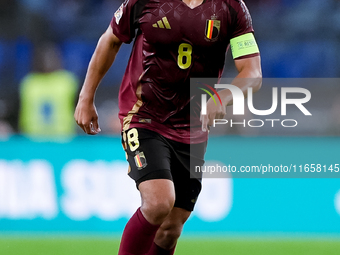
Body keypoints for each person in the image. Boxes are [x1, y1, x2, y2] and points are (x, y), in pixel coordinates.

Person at [74, 0, 262, 254]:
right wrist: (86, 98)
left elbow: (252, 72)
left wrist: (223, 97)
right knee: (158, 203)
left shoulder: (231, 8)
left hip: (192, 126)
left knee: (171, 227)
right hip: (144, 115)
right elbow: (111, 40)